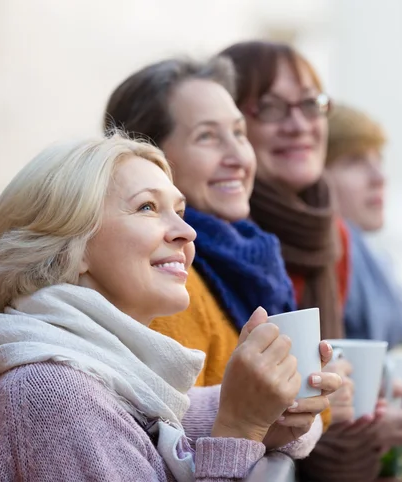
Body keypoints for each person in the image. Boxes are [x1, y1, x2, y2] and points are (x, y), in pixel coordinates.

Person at [0, 134, 339, 481]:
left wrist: (268, 417)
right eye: (147, 207)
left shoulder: (126, 384)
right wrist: (239, 429)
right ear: (71, 246)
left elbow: (184, 414)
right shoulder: (53, 396)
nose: (186, 232)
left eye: (179, 210)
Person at [104, 57, 342, 441]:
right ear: (145, 159)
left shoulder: (248, 257)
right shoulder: (164, 275)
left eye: (239, 133)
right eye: (208, 137)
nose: (238, 158)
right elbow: (170, 434)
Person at [217, 40, 386, 481]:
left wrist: (370, 409)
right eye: (270, 108)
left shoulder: (333, 235)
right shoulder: (209, 239)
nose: (299, 125)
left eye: (311, 105)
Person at [324, 104, 402, 348]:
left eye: (379, 159)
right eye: (354, 161)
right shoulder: (323, 264)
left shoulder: (372, 258)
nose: (379, 177)